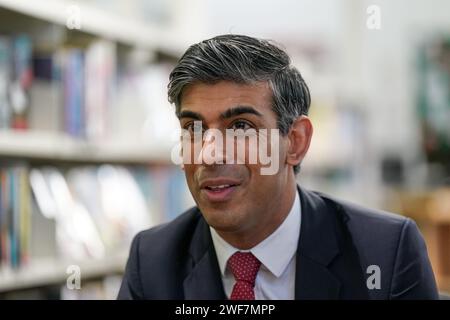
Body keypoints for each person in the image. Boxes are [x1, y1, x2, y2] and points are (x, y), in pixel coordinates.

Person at [118, 34, 438, 300]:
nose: (209, 155)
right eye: (193, 128)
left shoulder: (384, 253)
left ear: (295, 142)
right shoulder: (152, 262)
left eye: (241, 127)